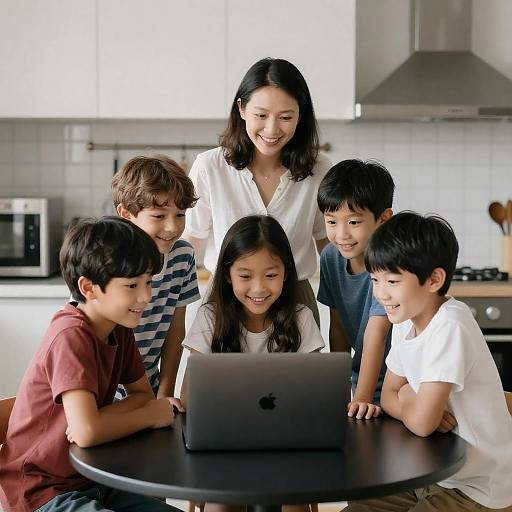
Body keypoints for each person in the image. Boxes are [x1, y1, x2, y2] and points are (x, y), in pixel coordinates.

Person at [0, 217, 180, 512]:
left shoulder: (118, 327)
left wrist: (101, 418)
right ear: (88, 287)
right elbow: (87, 432)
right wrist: (148, 416)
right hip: (40, 493)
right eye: (132, 285)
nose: (146, 296)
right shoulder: (70, 336)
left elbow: (142, 396)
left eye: (148, 282)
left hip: (88, 481)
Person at [346, 212, 512, 511]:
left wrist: (409, 397)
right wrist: (414, 400)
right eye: (375, 279)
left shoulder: (450, 326)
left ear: (434, 280)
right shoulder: (403, 321)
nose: (381, 293)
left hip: (477, 488)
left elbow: (422, 423)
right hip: (430, 474)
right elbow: (388, 396)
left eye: (392, 281)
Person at [181, 214, 323, 512]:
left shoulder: (301, 318)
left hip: (287, 443)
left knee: (293, 504)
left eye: (271, 275)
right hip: (224, 444)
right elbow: (190, 397)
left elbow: (318, 393)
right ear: (228, 274)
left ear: (286, 273)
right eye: (245, 276)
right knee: (221, 505)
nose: (258, 289)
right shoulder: (210, 317)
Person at [185, 57, 332, 326]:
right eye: (261, 115)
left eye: (286, 117)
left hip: (294, 301)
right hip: (227, 297)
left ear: (302, 114)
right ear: (241, 109)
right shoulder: (210, 167)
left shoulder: (319, 168)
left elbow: (328, 244)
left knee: (300, 371)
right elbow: (188, 241)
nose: (272, 129)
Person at [112, 155, 200, 401]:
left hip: (148, 390)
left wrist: (164, 394)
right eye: (159, 216)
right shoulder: (108, 260)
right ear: (126, 213)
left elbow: (175, 329)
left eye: (180, 214)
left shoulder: (182, 256)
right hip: (103, 392)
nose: (172, 227)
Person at [316, 159, 393, 419]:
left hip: (400, 389)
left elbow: (377, 334)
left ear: (383, 219)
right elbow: (337, 327)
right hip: (361, 388)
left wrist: (361, 400)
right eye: (332, 221)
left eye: (354, 222)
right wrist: (340, 394)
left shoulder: (389, 264)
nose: (342, 234)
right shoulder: (330, 257)